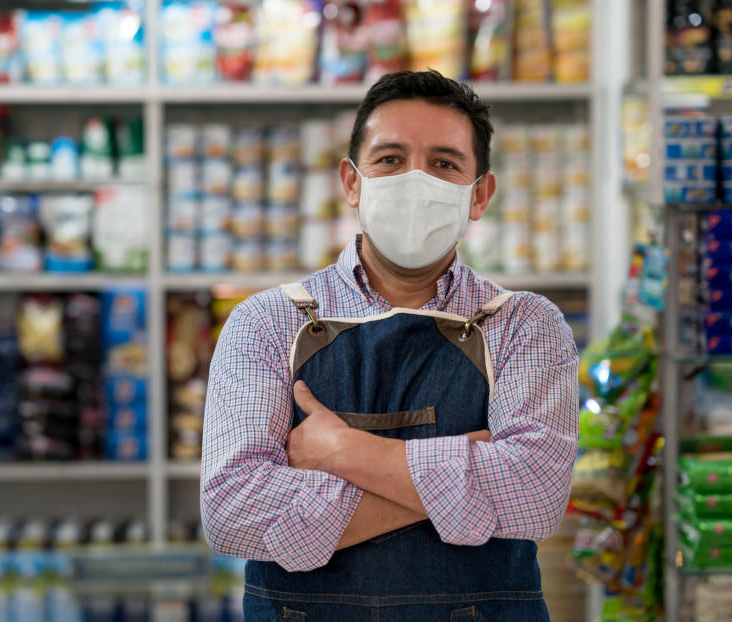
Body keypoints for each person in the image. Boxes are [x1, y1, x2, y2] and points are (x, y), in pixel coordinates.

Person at [200, 70, 579, 622]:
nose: (416, 181)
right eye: (391, 159)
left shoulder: (525, 325)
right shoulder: (265, 323)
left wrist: (346, 453)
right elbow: (233, 511)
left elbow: (537, 497)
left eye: (445, 163)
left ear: (480, 195)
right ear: (351, 182)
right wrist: (463, 482)